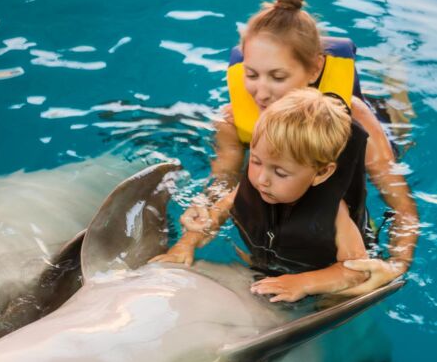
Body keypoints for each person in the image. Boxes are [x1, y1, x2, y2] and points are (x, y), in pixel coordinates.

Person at [178, 0, 418, 294]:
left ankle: (395, 80)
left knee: (402, 130)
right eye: (251, 74)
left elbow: (402, 208)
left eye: (278, 77)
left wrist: (395, 265)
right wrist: (203, 209)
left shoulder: (353, 118)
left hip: (368, 119)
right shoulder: (233, 119)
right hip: (290, 171)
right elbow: (224, 181)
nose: (261, 93)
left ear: (315, 68)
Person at [152, 89, 369, 302]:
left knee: (331, 302)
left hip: (309, 274)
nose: (261, 179)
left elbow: (357, 270)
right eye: (256, 161)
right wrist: (186, 243)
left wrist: (304, 283)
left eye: (280, 172)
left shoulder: (335, 214)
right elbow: (216, 213)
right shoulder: (254, 184)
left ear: (321, 173)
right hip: (264, 261)